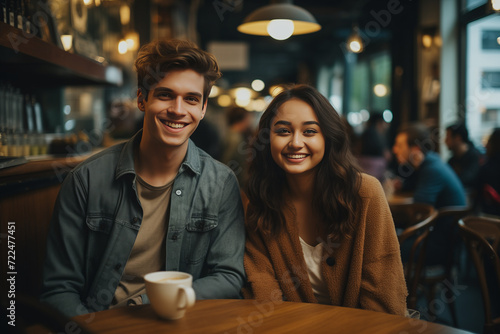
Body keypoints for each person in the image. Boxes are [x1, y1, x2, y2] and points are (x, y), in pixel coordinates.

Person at [40, 39, 246, 317]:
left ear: (203, 109)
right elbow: (58, 289)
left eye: (191, 99)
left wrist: (154, 305)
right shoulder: (86, 179)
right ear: (141, 99)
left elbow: (229, 277)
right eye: (164, 95)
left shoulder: (221, 183)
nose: (178, 109)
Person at [243, 85, 407, 316]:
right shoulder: (258, 202)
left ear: (328, 138)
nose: (296, 143)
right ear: (267, 138)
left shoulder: (364, 193)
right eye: (283, 131)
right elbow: (262, 290)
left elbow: (383, 297)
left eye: (309, 131)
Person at [392, 123, 467, 209]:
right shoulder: (429, 161)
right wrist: (402, 186)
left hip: (446, 220)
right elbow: (414, 185)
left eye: (399, 146)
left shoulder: (431, 169)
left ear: (415, 149)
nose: (394, 150)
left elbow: (420, 207)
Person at [221, 106, 253, 188]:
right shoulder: (235, 139)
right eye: (247, 119)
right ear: (242, 119)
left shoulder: (230, 134)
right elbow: (228, 162)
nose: (249, 122)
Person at [444, 122, 481, 190]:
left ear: (458, 138)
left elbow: (467, 180)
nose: (445, 141)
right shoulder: (452, 160)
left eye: (447, 137)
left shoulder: (475, 157)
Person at [357, 112, 391, 182]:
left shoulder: (366, 133)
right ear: (379, 122)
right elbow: (386, 154)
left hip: (363, 165)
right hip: (375, 168)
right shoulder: (377, 134)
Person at [476, 128, 500, 216]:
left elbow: (478, 195)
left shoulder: (488, 168)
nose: (485, 145)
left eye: (489, 141)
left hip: (490, 220)